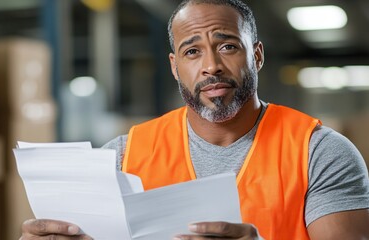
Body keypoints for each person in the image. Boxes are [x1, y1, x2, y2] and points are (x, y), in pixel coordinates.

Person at [20, 0, 369, 239]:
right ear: (175, 67)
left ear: (257, 56)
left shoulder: (319, 153)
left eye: (228, 46)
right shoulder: (125, 156)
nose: (211, 65)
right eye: (192, 51)